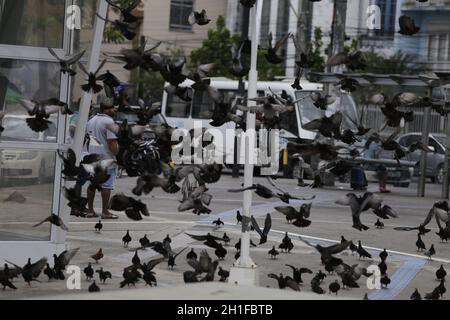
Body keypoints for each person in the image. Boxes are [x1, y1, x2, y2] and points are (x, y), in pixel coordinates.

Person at [84, 97, 119, 219]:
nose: (114, 109)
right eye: (112, 108)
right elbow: (112, 143)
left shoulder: (91, 120)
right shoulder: (109, 122)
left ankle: (90, 210)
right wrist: (117, 155)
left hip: (92, 157)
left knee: (92, 184)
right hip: (106, 158)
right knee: (106, 185)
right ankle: (105, 211)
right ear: (106, 109)